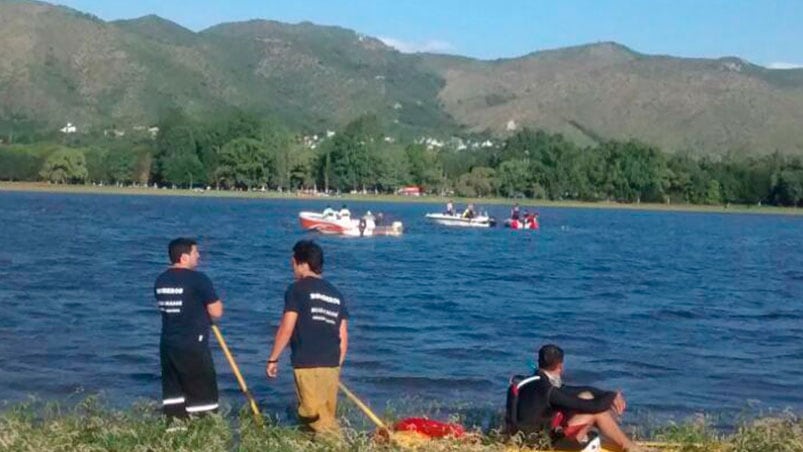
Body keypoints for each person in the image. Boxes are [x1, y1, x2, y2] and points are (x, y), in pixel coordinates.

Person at [266, 240, 349, 435]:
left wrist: (273, 358)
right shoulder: (335, 293)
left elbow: (287, 326)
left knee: (314, 420)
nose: (293, 268)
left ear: (303, 263)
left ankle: (337, 446)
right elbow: (343, 336)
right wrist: (336, 366)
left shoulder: (297, 289)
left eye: (293, 263)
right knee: (325, 416)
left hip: (307, 363)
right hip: (331, 364)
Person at [506, 344, 642, 452]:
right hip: (544, 446)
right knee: (598, 413)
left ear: (539, 362)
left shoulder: (523, 382)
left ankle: (606, 440)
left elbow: (578, 390)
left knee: (586, 396)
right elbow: (594, 407)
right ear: (560, 366)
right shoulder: (549, 391)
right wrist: (612, 396)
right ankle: (629, 447)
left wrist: (606, 394)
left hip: (519, 441)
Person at [154, 238, 224, 422]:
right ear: (184, 257)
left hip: (168, 345)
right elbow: (216, 311)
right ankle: (205, 435)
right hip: (193, 345)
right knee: (203, 398)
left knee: (174, 398)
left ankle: (176, 435)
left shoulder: (161, 280)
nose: (199, 256)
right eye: (195, 252)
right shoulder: (198, 279)